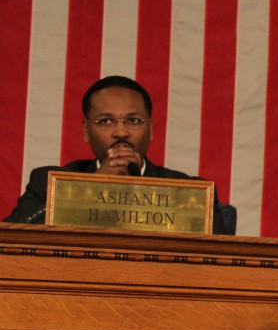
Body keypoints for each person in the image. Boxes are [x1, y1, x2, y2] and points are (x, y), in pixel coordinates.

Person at [3, 75, 234, 234]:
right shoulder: (48, 182)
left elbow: (221, 262)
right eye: (105, 121)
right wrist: (90, 190)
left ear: (151, 128)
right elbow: (11, 240)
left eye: (133, 121)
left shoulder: (189, 192)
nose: (121, 132)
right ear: (86, 130)